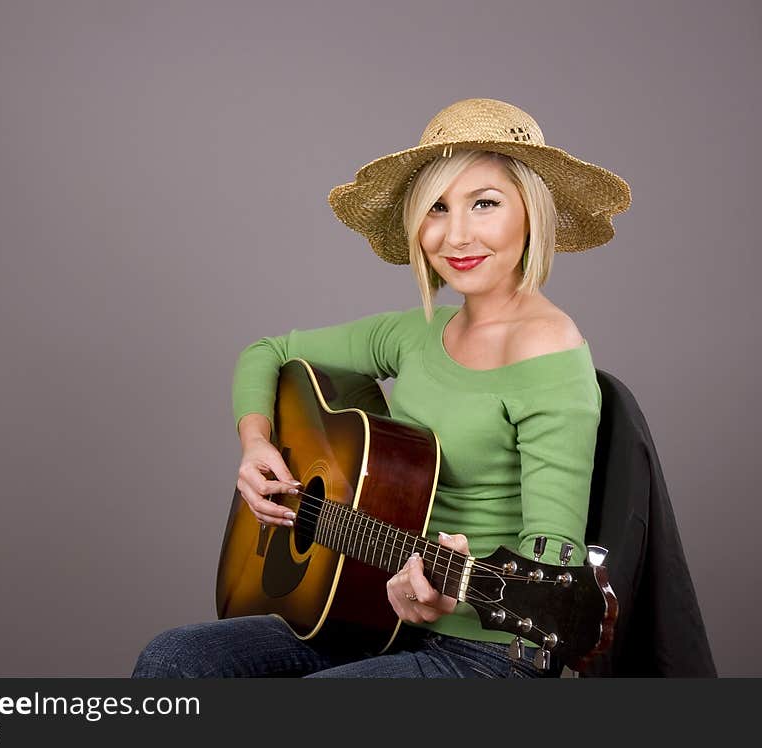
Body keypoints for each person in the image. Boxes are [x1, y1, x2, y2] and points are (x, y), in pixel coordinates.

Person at [132, 97, 631, 678]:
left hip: (490, 648)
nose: (457, 235)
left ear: (531, 214)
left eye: (485, 204)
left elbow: (555, 555)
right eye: (437, 208)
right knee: (172, 661)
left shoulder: (551, 352)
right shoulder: (415, 333)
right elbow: (266, 353)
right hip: (375, 613)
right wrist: (256, 443)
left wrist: (453, 594)